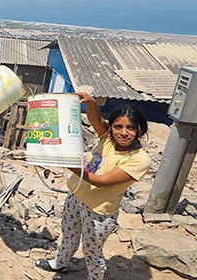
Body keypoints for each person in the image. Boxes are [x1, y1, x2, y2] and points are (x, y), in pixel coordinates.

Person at [35, 92, 150, 280]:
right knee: (69, 235)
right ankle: (60, 263)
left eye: (130, 128)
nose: (123, 132)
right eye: (118, 127)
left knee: (91, 251)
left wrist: (65, 162)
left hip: (99, 211)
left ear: (140, 129)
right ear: (111, 127)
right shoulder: (108, 140)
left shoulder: (140, 160)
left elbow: (101, 181)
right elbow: (96, 120)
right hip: (76, 196)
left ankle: (94, 277)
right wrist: (91, 103)